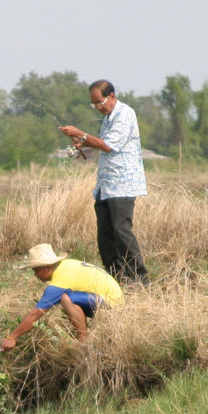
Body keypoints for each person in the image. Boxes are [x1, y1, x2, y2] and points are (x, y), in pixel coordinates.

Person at [58, 79, 149, 288]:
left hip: (122, 184)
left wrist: (80, 133)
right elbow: (101, 144)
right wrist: (84, 144)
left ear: (112, 96)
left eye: (100, 102)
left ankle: (139, 278)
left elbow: (108, 145)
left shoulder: (125, 114)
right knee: (105, 235)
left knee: (121, 230)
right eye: (94, 104)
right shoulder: (108, 118)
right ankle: (118, 279)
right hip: (106, 186)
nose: (98, 107)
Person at [1, 243, 123, 351]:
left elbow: (36, 313)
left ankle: (83, 342)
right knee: (67, 299)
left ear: (47, 267)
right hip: (107, 300)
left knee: (66, 299)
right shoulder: (65, 265)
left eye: (36, 270)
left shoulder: (60, 281)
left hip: (111, 304)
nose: (35, 275)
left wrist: (12, 337)